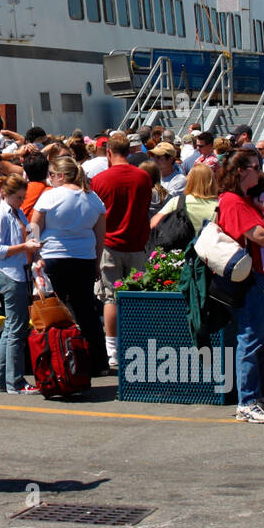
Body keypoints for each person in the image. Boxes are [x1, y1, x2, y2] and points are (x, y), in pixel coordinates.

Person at [216, 149, 264, 424]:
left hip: (262, 275)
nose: (259, 171)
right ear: (241, 171)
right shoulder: (232, 201)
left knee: (262, 337)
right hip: (252, 278)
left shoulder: (245, 198)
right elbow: (257, 234)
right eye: (255, 166)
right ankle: (247, 400)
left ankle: (258, 394)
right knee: (251, 337)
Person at [28, 155, 107, 366]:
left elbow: (34, 226)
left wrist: (35, 254)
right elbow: (100, 236)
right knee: (85, 310)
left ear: (61, 176)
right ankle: (98, 360)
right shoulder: (93, 198)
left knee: (55, 309)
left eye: (51, 175)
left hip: (53, 256)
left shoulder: (50, 196)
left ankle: (56, 357)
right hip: (84, 258)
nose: (49, 179)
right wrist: (97, 262)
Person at [92, 131, 153, 371]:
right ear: (130, 151)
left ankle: (112, 350)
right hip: (137, 243)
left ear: (109, 152)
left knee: (110, 298)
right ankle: (136, 345)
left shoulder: (100, 180)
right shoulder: (143, 177)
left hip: (109, 244)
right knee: (137, 296)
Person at [0, 175, 40, 394]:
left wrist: (33, 243)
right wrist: (25, 246)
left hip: (18, 272)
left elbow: (28, 231)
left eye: (23, 197)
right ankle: (15, 381)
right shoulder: (0, 215)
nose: (22, 201)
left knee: (12, 326)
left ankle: (0, 380)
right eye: (19, 197)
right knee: (16, 329)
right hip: (9, 274)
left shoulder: (15, 211)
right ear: (5, 194)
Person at [150, 162, 218, 235]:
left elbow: (154, 223)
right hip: (206, 245)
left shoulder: (177, 201)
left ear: (189, 181)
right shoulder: (218, 207)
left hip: (180, 244)